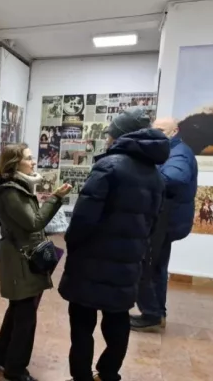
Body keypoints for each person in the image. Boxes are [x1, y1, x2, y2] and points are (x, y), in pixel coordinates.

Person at [59, 108, 169, 381]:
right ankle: (108, 373)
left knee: (82, 324)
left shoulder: (109, 166)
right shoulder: (155, 175)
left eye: (110, 133)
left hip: (91, 262)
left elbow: (83, 218)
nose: (107, 138)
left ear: (120, 136)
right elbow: (153, 223)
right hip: (128, 263)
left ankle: (81, 376)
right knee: (118, 320)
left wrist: (72, 244)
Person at [0, 144, 71, 381]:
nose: (34, 163)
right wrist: (56, 198)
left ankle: (1, 357)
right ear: (14, 163)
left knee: (18, 310)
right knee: (25, 317)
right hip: (20, 259)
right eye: (29, 159)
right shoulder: (10, 191)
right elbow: (34, 222)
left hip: (23, 256)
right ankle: (15, 369)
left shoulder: (15, 186)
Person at [132, 117, 198, 332]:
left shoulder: (179, 153)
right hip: (166, 220)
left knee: (148, 266)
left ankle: (152, 313)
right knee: (156, 266)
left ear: (175, 130)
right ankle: (156, 313)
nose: (158, 133)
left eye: (162, 130)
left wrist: (144, 172)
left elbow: (174, 178)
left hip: (165, 222)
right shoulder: (172, 150)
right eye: (155, 130)